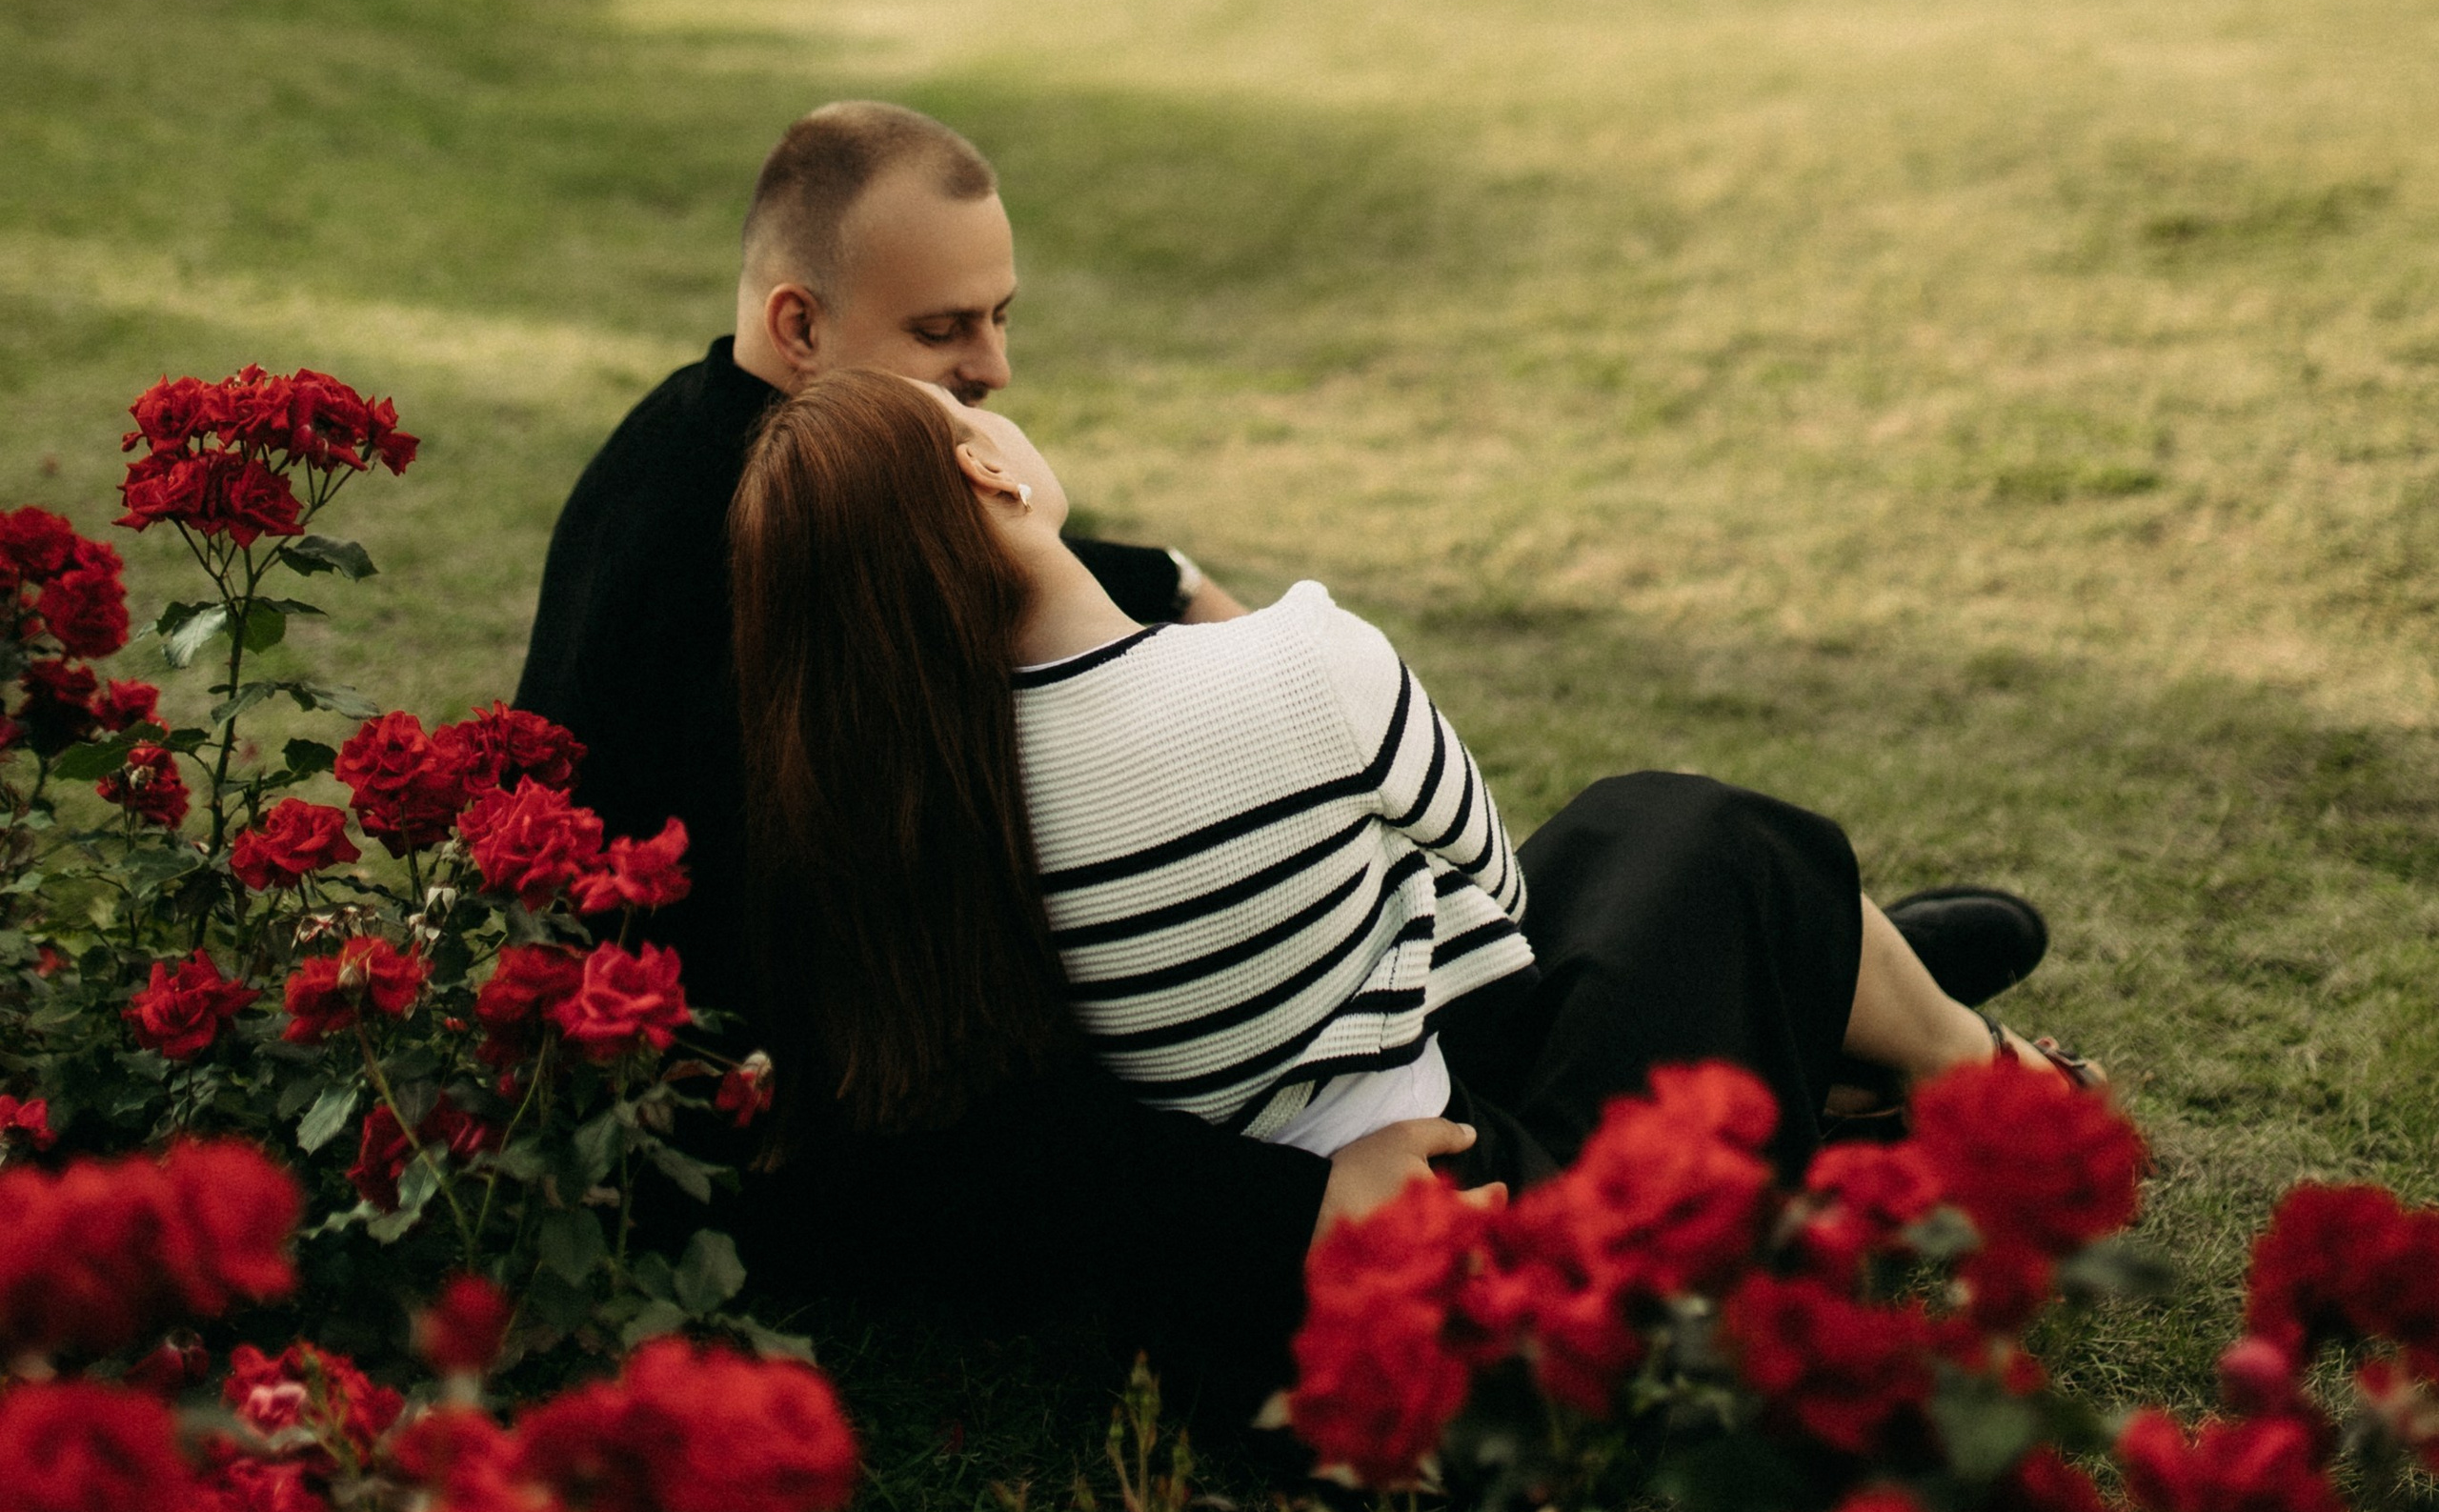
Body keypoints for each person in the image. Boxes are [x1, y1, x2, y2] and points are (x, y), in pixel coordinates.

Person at [519, 101, 2051, 1400]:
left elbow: (955, 542)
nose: (992, 371)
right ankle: (1885, 1031)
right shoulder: (712, 596)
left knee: (1628, 857)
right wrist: (1299, 1209)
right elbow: (892, 1087)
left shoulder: (766, 466)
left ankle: (1817, 993)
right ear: (801, 323)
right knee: (1683, 845)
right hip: (1238, 1187)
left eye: (1002, 318)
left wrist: (1166, 580)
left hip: (1248, 1073)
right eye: (944, 335)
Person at [726, 374, 2083, 1292]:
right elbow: (1491, 891)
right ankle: (1981, 1070)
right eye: (972, 403)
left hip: (1294, 1250)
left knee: (1623, 829)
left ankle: (1846, 1031)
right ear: (985, 472)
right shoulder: (1297, 661)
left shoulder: (934, 819)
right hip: (1486, 1208)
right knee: (1702, 833)